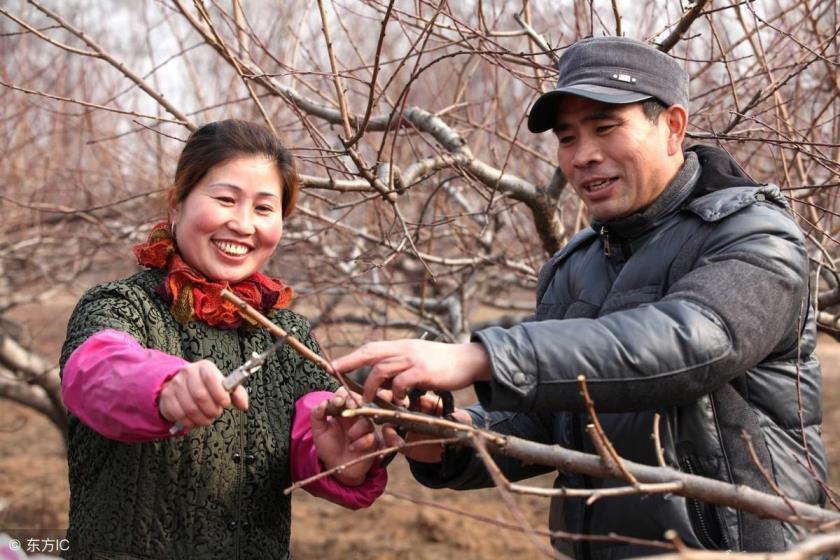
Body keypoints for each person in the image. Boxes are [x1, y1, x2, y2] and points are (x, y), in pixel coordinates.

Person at [334, 37, 827, 557]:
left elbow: (692, 343)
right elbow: (554, 419)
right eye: (567, 138)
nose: (583, 155)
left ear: (673, 127)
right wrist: (444, 438)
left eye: (605, 128)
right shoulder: (578, 263)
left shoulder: (755, 236)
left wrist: (480, 356)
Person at [59, 119, 385, 560]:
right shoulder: (120, 304)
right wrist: (167, 386)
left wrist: (342, 455)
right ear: (177, 205)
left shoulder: (287, 336)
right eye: (226, 199)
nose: (243, 224)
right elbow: (96, 369)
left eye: (265, 209)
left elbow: (316, 423)